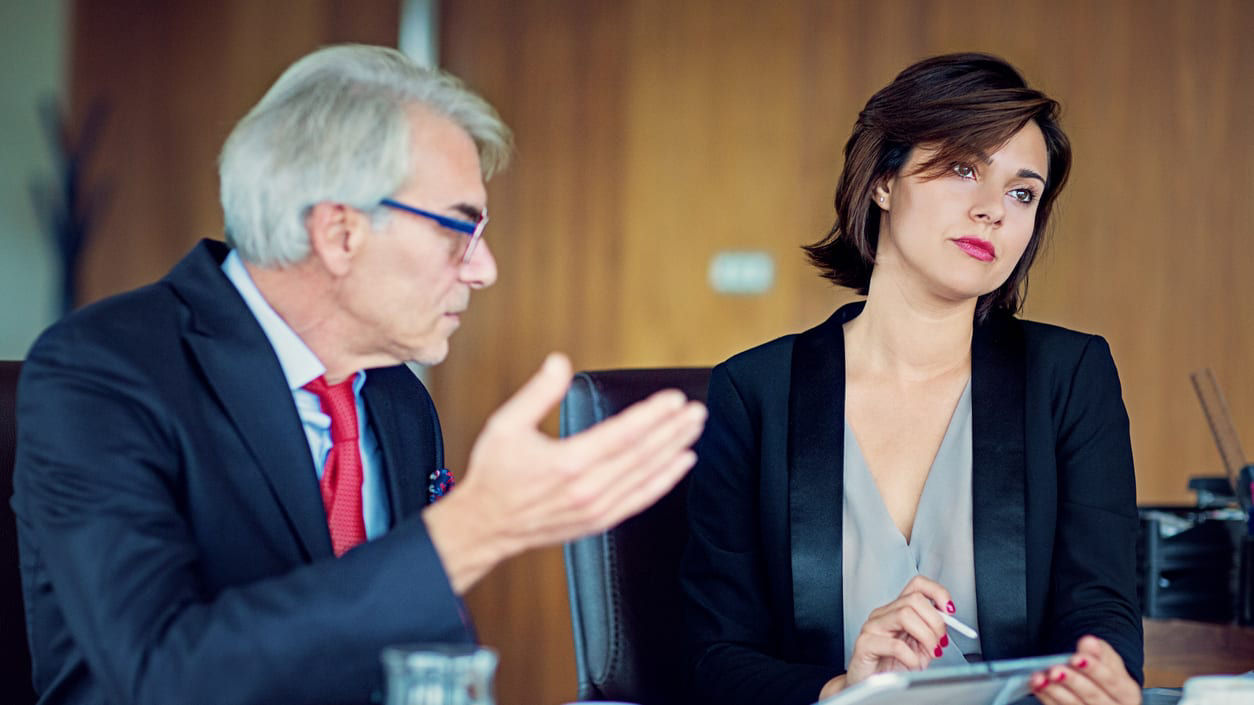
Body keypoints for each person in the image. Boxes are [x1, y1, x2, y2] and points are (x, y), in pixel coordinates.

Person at [12, 44, 706, 705]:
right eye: (456, 230)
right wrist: (470, 530)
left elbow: (415, 656)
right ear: (339, 232)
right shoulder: (102, 373)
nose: (484, 268)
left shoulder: (397, 398)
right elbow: (162, 676)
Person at [680, 53, 1142, 705]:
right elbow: (714, 658)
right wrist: (841, 688)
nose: (993, 211)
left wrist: (1101, 678)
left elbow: (1102, 616)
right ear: (883, 181)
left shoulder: (1070, 378)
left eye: (1022, 192)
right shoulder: (754, 392)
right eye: (963, 168)